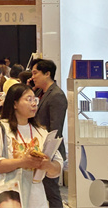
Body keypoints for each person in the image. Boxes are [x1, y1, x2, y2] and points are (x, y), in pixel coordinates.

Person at [0, 84, 63, 208]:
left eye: (35, 100)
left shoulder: (41, 131)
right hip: (8, 197)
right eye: (29, 99)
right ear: (14, 104)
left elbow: (57, 168)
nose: (34, 104)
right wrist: (21, 162)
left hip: (37, 198)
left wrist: (48, 165)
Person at [31, 59, 67, 207]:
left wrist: (49, 153)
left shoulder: (56, 95)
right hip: (38, 148)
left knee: (51, 191)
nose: (33, 77)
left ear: (47, 74)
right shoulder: (39, 92)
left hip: (50, 151)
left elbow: (55, 129)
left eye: (35, 73)